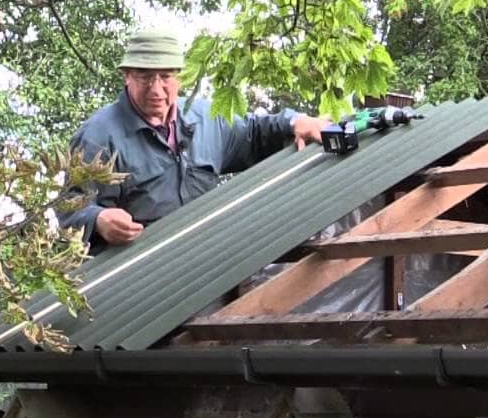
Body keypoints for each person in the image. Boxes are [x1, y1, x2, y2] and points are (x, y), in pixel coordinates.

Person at [59, 28, 328, 252]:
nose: (156, 89)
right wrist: (99, 220)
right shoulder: (98, 137)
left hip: (210, 262)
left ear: (179, 77)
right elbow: (69, 208)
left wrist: (296, 121)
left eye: (165, 77)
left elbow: (255, 133)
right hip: (139, 281)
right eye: (144, 77)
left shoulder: (207, 118)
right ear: (127, 76)